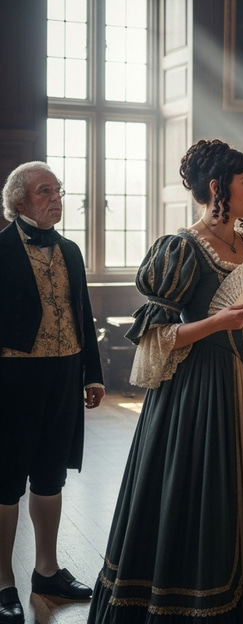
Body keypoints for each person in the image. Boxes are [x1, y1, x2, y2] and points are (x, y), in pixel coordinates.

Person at [87, 139, 243, 624]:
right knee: (205, 494)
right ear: (216, 186)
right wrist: (213, 324)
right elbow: (156, 334)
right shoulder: (180, 250)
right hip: (200, 391)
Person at [0, 161, 105, 624]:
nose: (56, 197)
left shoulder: (71, 250)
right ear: (20, 201)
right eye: (45, 191)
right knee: (5, 480)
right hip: (12, 377)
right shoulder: (0, 250)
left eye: (58, 190)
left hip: (65, 373)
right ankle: (2, 581)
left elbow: (82, 312)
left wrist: (92, 374)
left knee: (51, 475)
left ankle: (46, 570)